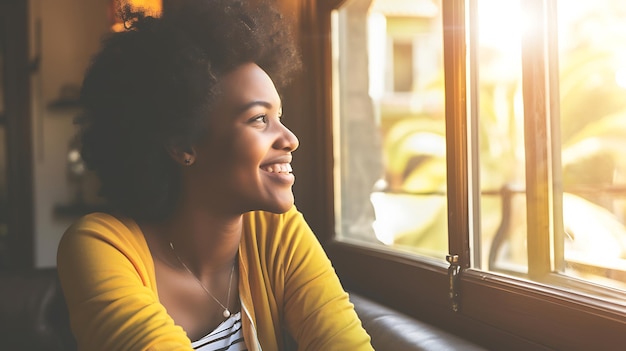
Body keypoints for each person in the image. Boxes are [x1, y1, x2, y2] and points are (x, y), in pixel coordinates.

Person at [56, 1, 374, 350]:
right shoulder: (100, 246)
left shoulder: (275, 232)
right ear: (183, 145)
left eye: (279, 115)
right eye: (258, 119)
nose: (290, 139)